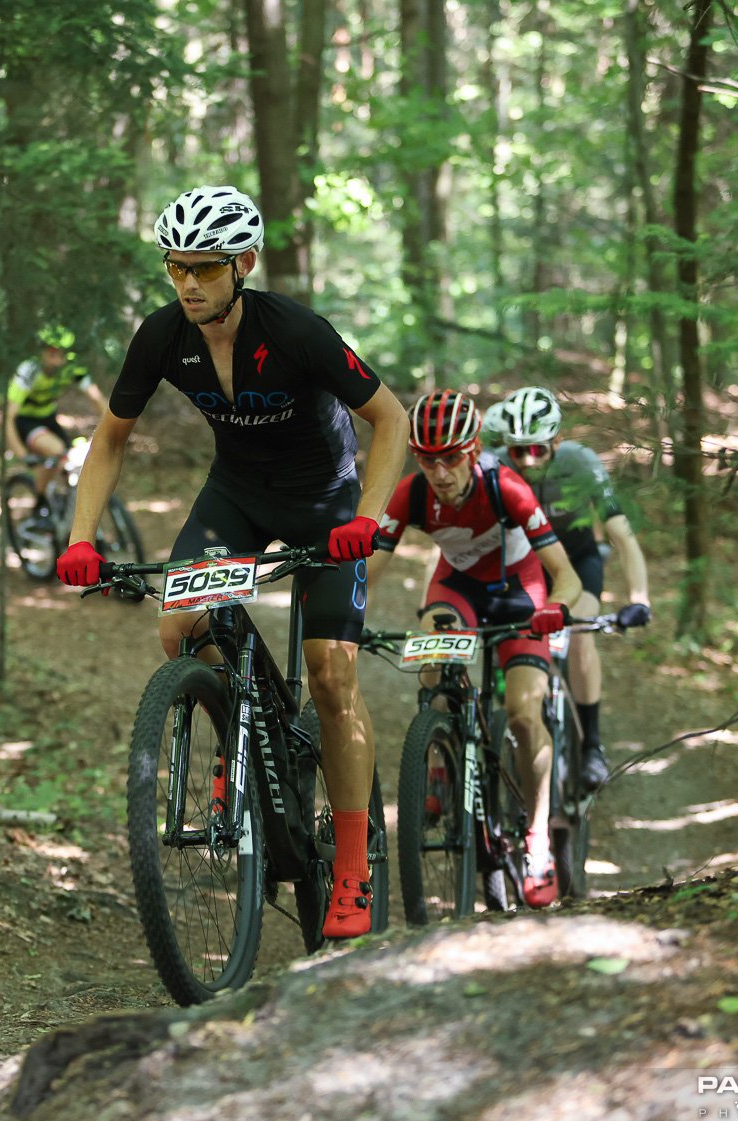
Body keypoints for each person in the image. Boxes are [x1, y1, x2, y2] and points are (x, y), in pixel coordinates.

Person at [54, 184, 411, 940]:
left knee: (332, 672)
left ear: (242, 263)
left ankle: (352, 863)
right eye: (176, 266)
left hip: (326, 502)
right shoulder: (161, 337)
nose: (188, 282)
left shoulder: (296, 331)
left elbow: (390, 419)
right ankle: (236, 725)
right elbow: (110, 437)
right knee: (180, 626)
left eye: (206, 268)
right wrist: (82, 538)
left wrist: (370, 520)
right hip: (238, 497)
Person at [365, 388, 582, 908]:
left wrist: (557, 608)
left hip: (519, 592)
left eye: (452, 459)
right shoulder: (412, 494)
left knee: (525, 714)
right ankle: (439, 759)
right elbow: (367, 570)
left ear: (474, 450)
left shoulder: (506, 487)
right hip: (457, 586)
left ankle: (536, 841)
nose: (440, 473)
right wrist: (341, 612)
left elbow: (566, 577)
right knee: (433, 664)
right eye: (427, 460)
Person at [489, 386, 651, 792]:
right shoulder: (494, 467)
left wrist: (639, 599)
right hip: (525, 566)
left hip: (578, 560)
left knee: (580, 636)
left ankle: (592, 745)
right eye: (517, 451)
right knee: (503, 637)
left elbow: (623, 536)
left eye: (538, 450)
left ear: (557, 442)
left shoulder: (581, 464)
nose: (527, 461)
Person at [4, 326, 109, 524]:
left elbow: (97, 398)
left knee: (70, 460)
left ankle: (61, 506)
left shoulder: (71, 367)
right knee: (57, 451)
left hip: (49, 418)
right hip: (25, 421)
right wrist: (22, 453)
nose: (57, 356)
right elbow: (9, 417)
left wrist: (113, 429)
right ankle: (40, 505)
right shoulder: (29, 370)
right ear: (42, 351)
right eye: (51, 351)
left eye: (61, 352)